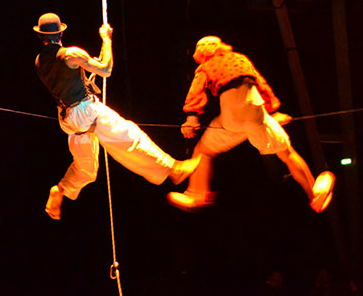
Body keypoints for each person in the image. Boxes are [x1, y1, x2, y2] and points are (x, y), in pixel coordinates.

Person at [33, 13, 200, 220]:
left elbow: (91, 66)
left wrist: (102, 50)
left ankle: (61, 189)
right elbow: (106, 69)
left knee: (87, 170)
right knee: (129, 134)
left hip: (68, 120)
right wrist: (107, 39)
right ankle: (173, 169)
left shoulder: (40, 62)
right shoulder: (71, 54)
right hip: (85, 111)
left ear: (42, 37)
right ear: (61, 32)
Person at [169, 35, 335, 212]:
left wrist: (191, 118)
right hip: (258, 116)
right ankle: (314, 195)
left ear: (202, 53)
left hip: (233, 117)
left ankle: (197, 195)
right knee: (287, 153)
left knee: (203, 152)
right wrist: (273, 111)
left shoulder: (205, 67)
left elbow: (196, 92)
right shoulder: (242, 59)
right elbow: (262, 85)